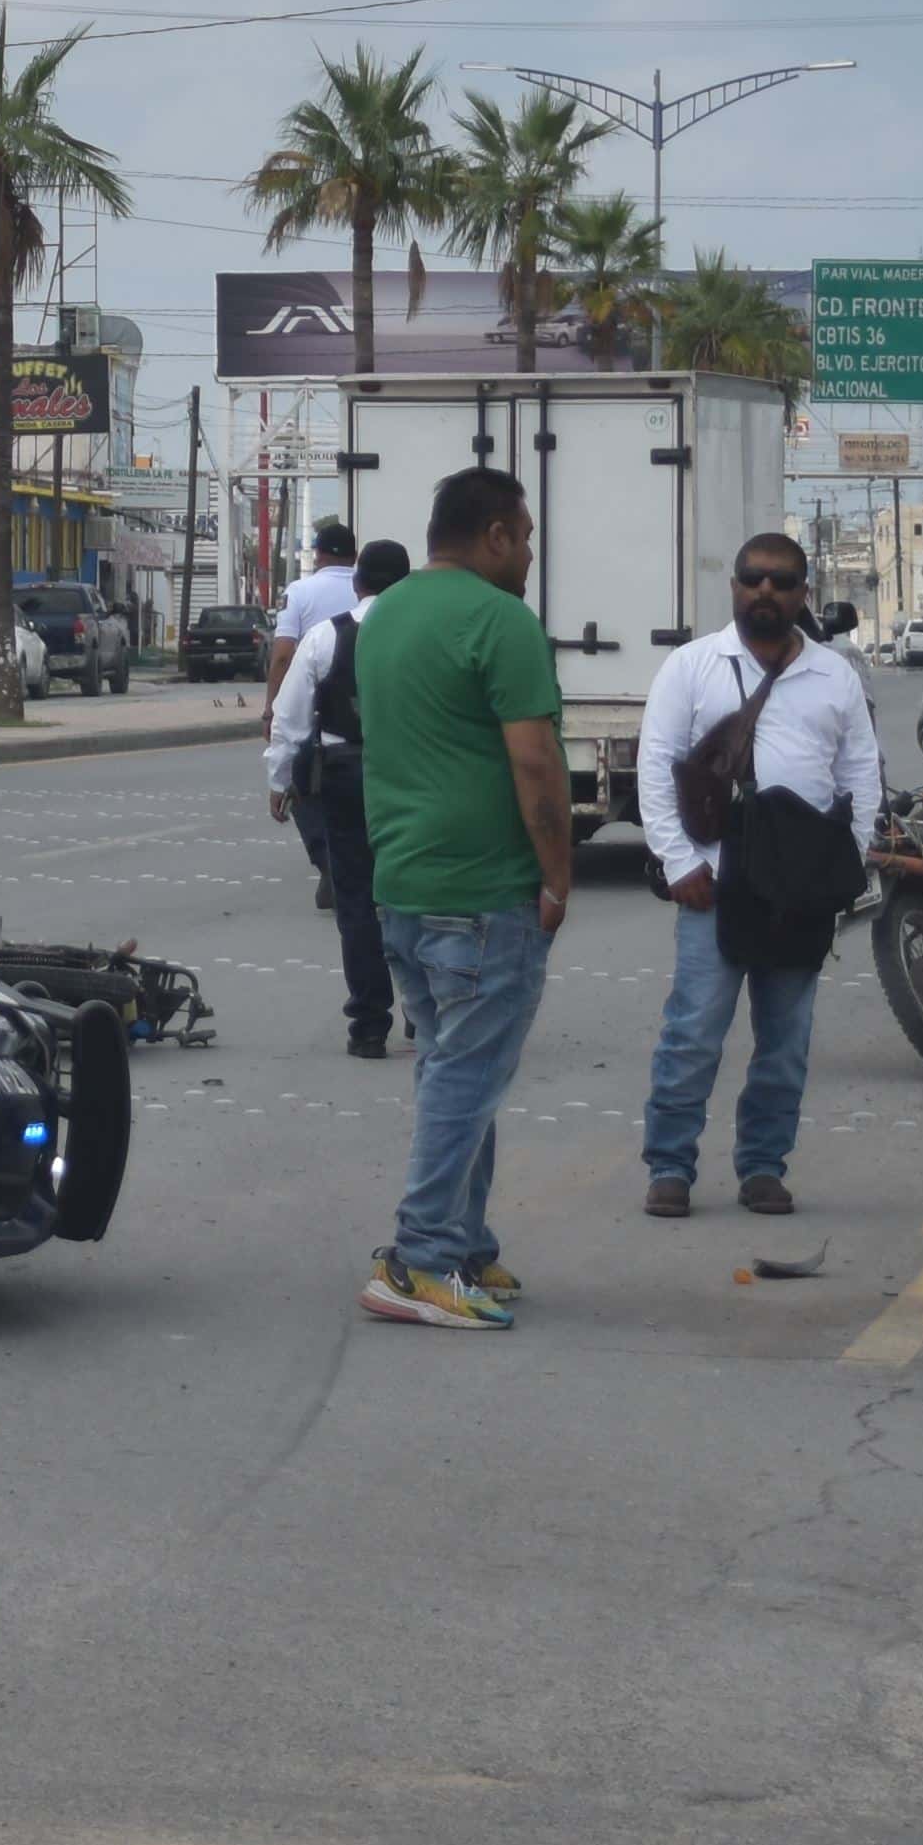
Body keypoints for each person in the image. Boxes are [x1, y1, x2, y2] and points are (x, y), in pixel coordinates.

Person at [352, 465, 571, 1332]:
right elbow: (537, 766)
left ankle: (465, 1244)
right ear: (494, 536)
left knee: (454, 1069)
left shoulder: (386, 614)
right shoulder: (502, 622)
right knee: (465, 1076)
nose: (527, 557)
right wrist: (558, 873)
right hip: (482, 890)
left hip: (402, 883)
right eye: (523, 539)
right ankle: (423, 1260)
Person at [634, 527, 884, 1218]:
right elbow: (656, 766)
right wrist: (680, 861)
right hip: (714, 882)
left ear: (805, 592)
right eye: (753, 578)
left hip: (801, 887)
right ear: (735, 587)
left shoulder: (834, 675)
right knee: (692, 1034)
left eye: (782, 580)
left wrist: (847, 861)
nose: (766, 590)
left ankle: (764, 1168)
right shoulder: (692, 667)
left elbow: (860, 773)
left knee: (785, 1044)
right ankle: (670, 1167)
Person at [264, 539, 413, 1054]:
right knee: (416, 895)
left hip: (346, 778)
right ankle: (424, 1008)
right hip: (413, 778)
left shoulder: (327, 636)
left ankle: (369, 1024)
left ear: (358, 583)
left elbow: (291, 717)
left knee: (356, 900)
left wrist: (280, 780)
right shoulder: (426, 638)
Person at [272, 521, 367, 908]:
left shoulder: (300, 592)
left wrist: (270, 708)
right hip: (378, 711)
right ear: (354, 557)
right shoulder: (371, 593)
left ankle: (328, 860)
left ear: (318, 553)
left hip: (318, 712)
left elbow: (282, 655)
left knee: (304, 785)